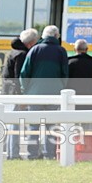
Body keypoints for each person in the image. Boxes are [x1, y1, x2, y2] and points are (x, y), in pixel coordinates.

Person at [19, 25, 69, 160]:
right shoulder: (61, 51)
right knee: (51, 126)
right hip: (54, 95)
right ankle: (49, 154)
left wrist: (26, 90)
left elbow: (24, 73)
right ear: (57, 36)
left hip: (34, 95)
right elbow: (65, 73)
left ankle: (32, 154)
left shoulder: (34, 50)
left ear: (43, 36)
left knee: (34, 126)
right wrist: (60, 88)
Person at [1, 28, 38, 160]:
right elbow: (19, 77)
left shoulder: (14, 51)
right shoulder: (22, 55)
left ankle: (12, 152)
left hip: (8, 90)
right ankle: (13, 153)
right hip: (14, 93)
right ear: (31, 43)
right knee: (14, 124)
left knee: (12, 122)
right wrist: (21, 96)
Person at [67, 38, 92, 110]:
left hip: (72, 101)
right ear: (87, 49)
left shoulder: (69, 64)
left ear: (74, 49)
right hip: (89, 102)